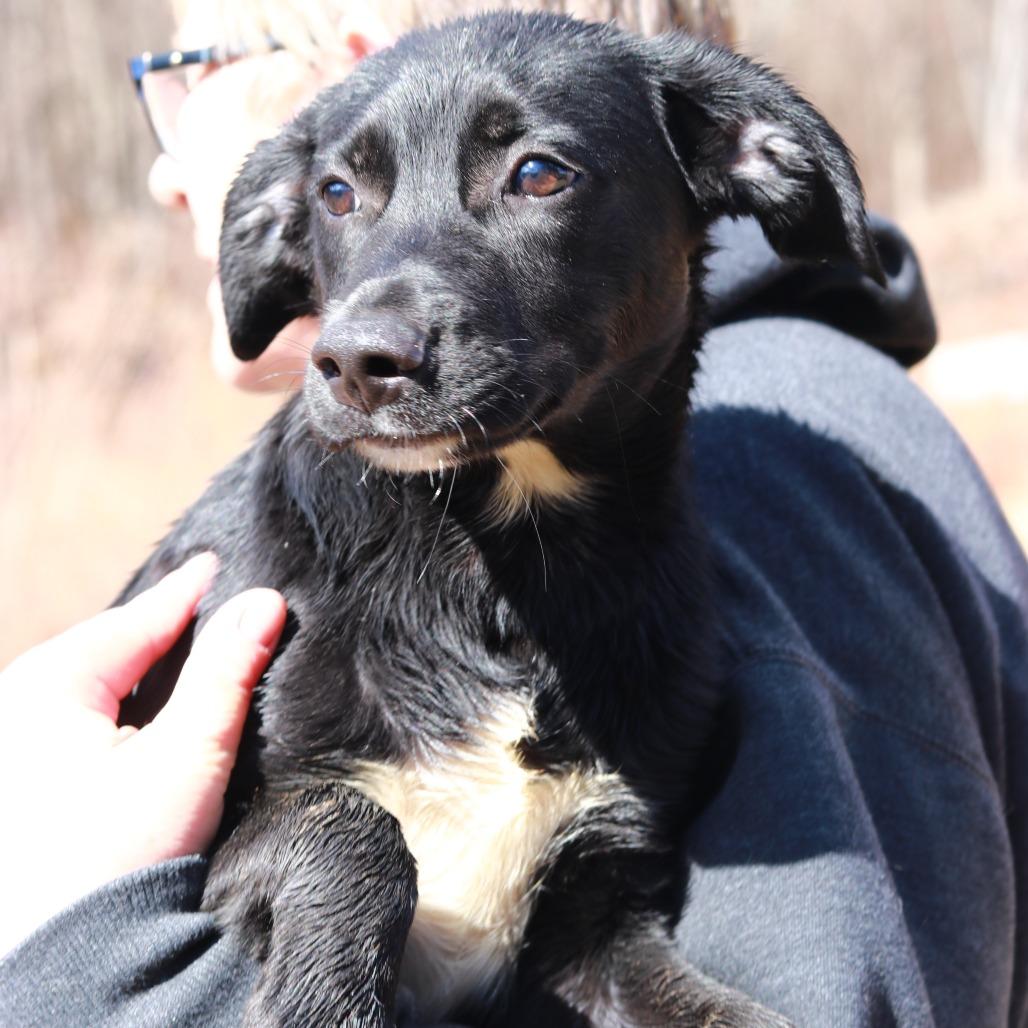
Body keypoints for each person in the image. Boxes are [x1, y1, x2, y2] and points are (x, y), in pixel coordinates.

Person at [1, 2, 1027, 1026]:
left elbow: (605, 954)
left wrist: (65, 945)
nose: (165, 167)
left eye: (534, 176)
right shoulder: (257, 599)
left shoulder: (771, 493)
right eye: (342, 194)